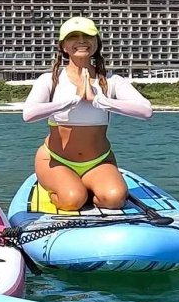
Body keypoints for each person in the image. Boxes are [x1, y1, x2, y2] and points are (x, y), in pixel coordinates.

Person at [21, 16, 152, 211]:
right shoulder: (50, 79)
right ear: (63, 46)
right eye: (74, 36)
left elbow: (146, 110)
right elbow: (29, 114)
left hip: (98, 161)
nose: (81, 40)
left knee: (114, 199)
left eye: (88, 36)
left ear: (96, 43)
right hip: (56, 161)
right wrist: (71, 100)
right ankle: (68, 189)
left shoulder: (111, 80)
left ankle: (89, 189)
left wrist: (98, 100)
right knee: (72, 200)